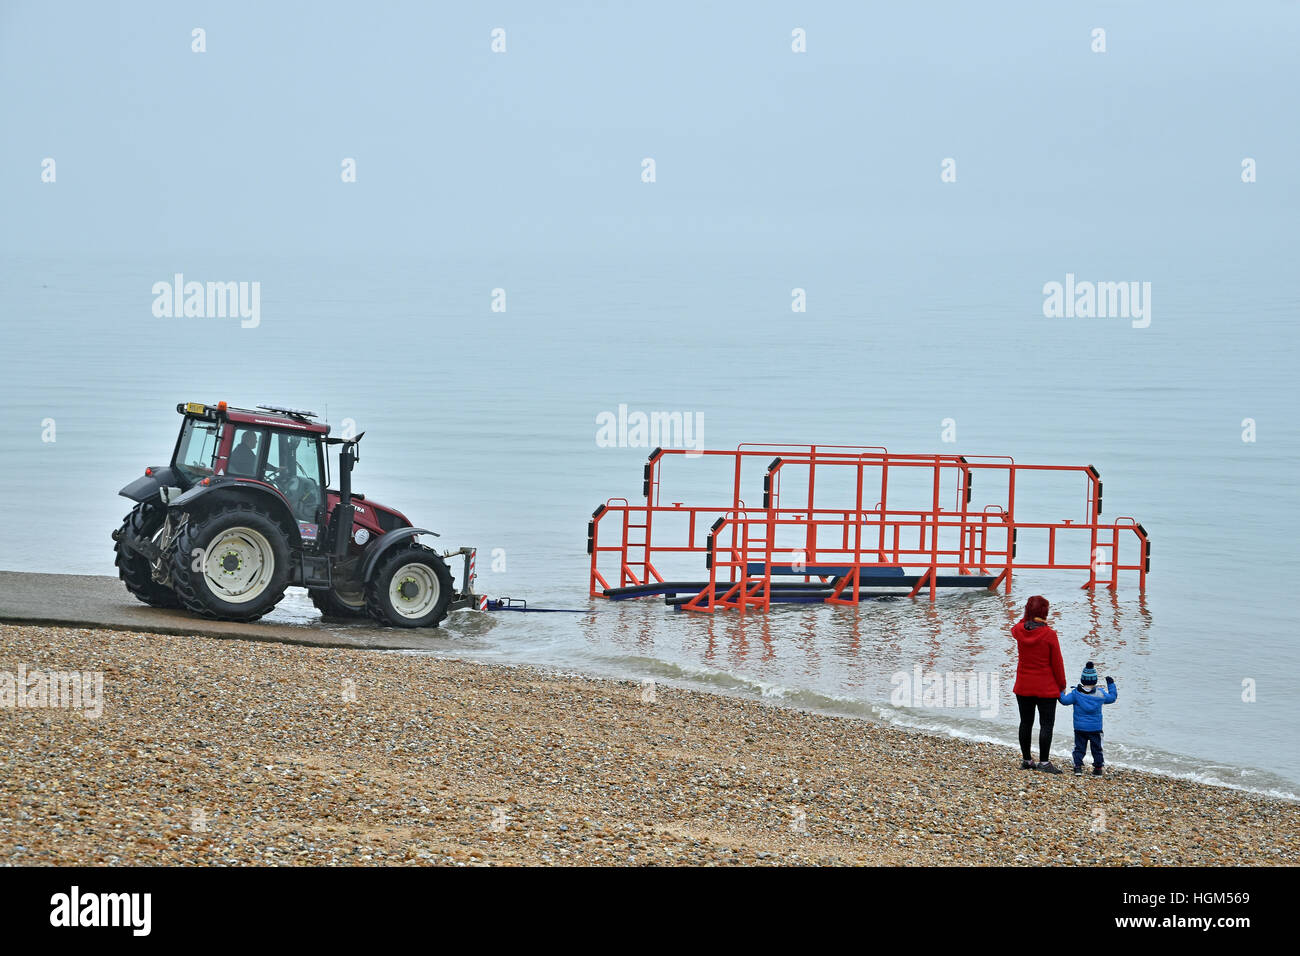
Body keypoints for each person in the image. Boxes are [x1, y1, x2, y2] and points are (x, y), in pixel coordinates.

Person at [1011, 595, 1067, 773]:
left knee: (1025, 723)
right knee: (1046, 725)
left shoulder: (1019, 630)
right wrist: (1062, 685)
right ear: (1045, 612)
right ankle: (1044, 763)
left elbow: (1017, 625)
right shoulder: (1049, 634)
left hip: (1023, 685)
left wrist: (1028, 616)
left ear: (1028, 611)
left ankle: (1027, 760)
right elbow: (1057, 663)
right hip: (1046, 687)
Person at [1059, 663, 1118, 775]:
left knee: (1079, 748)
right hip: (1096, 728)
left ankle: (1077, 767)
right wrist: (1111, 684)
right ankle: (1098, 769)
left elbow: (1064, 701)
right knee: (1097, 749)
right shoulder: (1100, 694)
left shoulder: (1076, 694)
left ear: (1082, 680)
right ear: (1095, 680)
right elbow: (1112, 698)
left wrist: (1060, 691)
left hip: (1080, 728)